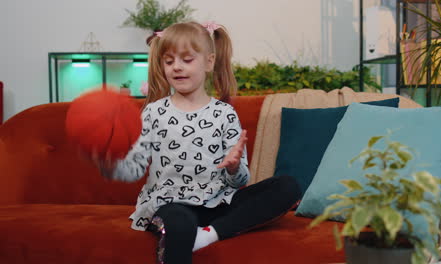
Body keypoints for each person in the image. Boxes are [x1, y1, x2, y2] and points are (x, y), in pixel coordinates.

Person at [95, 21, 301, 264]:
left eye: (187, 60)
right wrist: (110, 163)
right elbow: (135, 166)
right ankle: (192, 234)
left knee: (288, 186)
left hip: (219, 202)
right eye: (169, 61)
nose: (177, 68)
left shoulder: (225, 114)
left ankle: (207, 236)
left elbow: (241, 180)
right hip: (172, 203)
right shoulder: (154, 112)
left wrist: (234, 167)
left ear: (209, 62)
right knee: (180, 223)